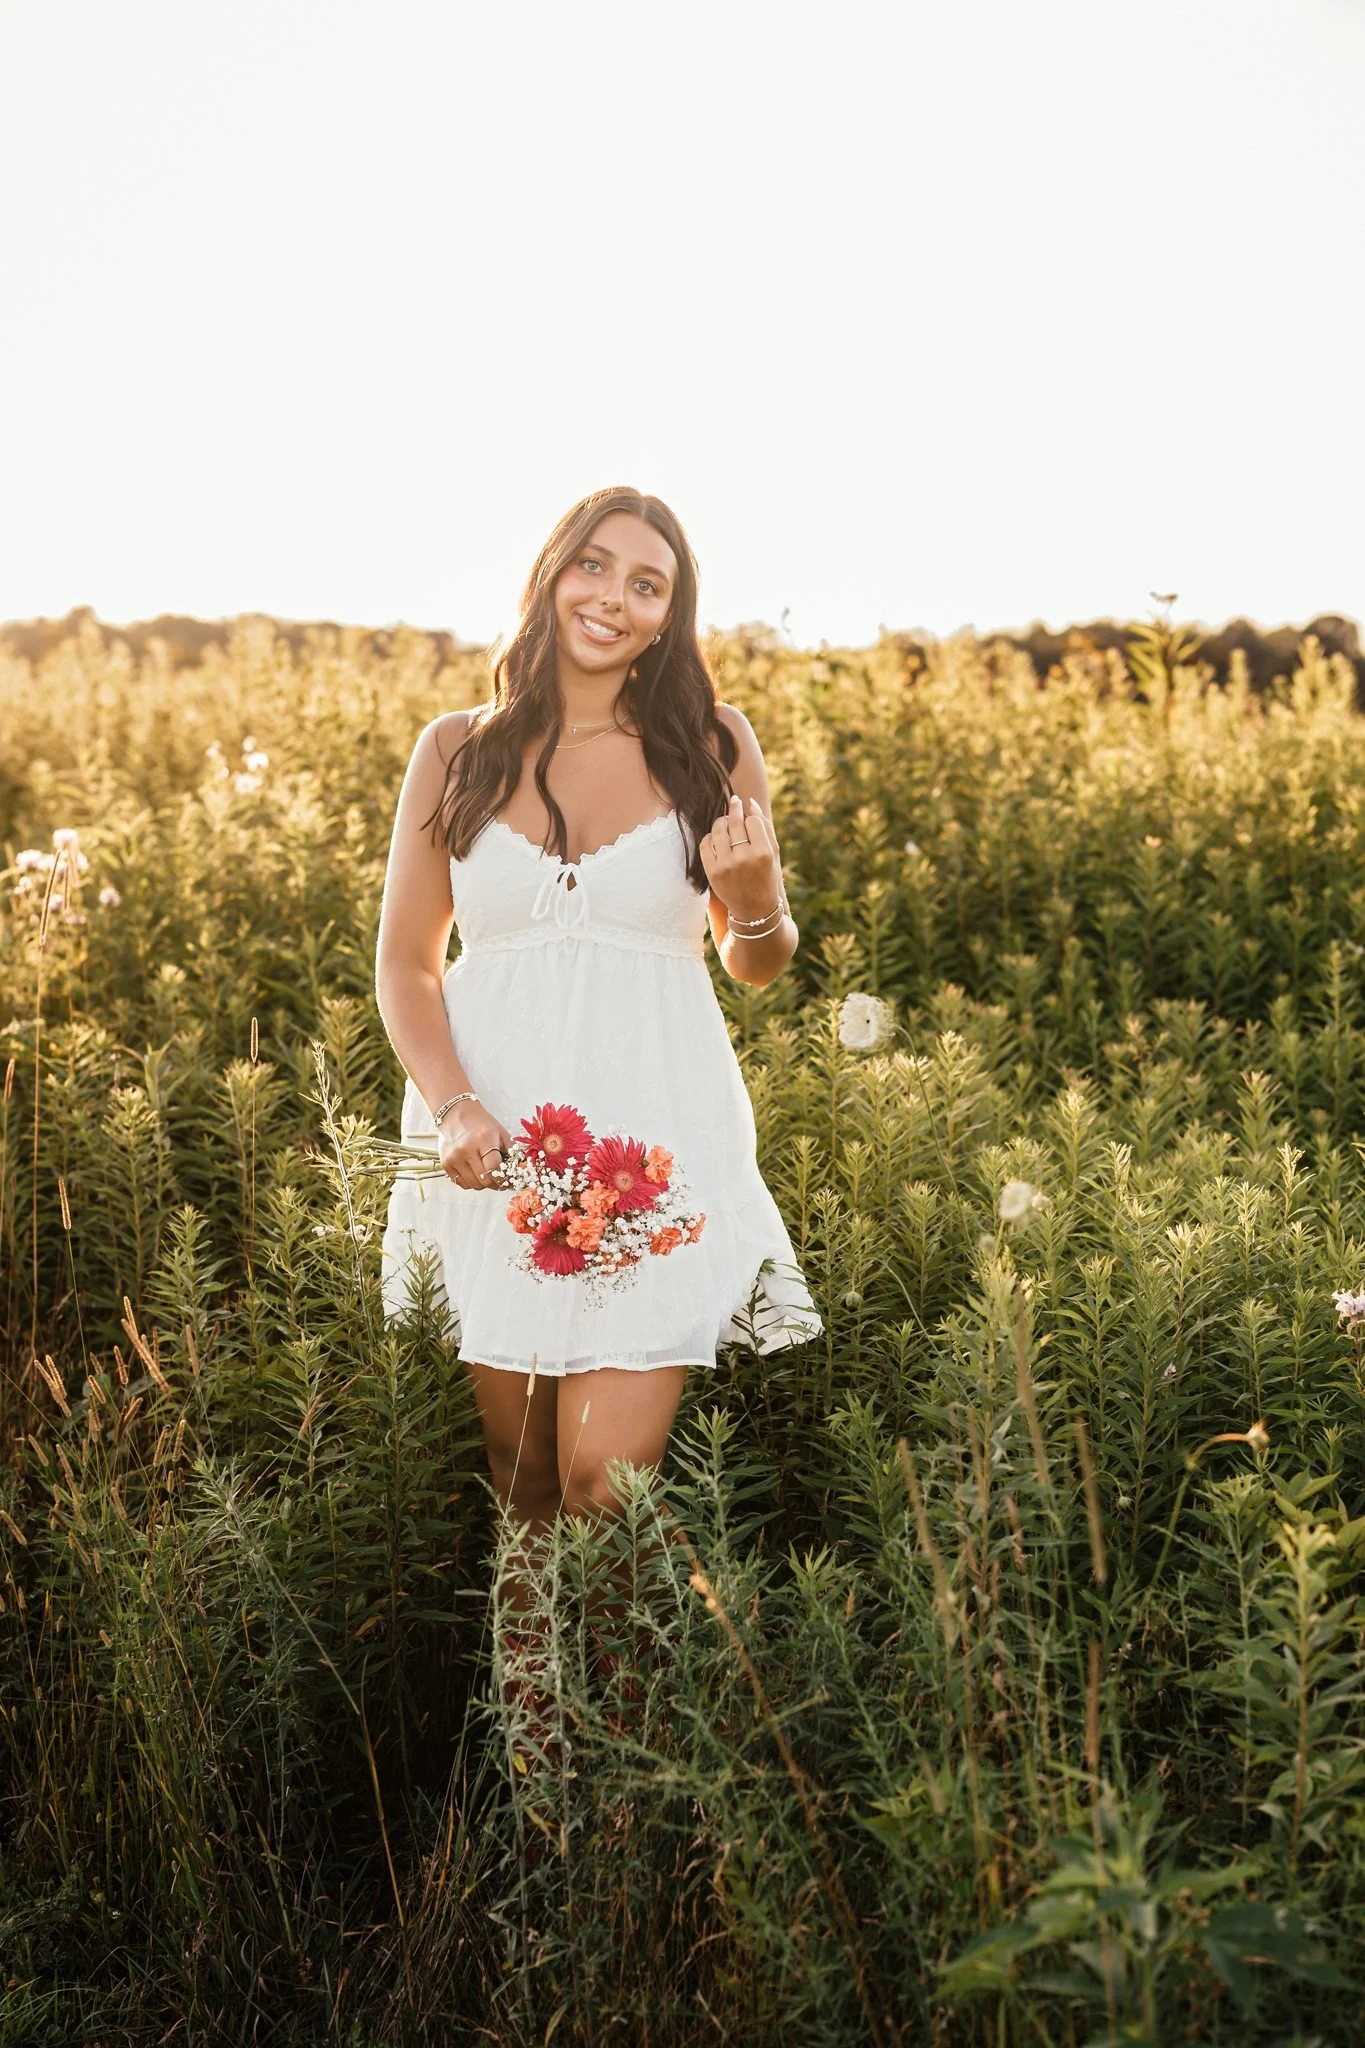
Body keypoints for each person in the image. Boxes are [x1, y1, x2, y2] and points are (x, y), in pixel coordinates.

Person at [373, 486, 823, 1718]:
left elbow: (756, 958)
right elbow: (408, 961)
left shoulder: (711, 744)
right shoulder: (455, 749)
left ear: (673, 612)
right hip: (498, 1152)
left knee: (605, 1486)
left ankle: (624, 1776)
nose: (612, 599)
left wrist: (763, 891)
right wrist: (458, 1105)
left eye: (647, 583)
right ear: (550, 571)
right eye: (595, 566)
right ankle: (540, 1781)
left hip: (653, 1152)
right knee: (520, 1489)